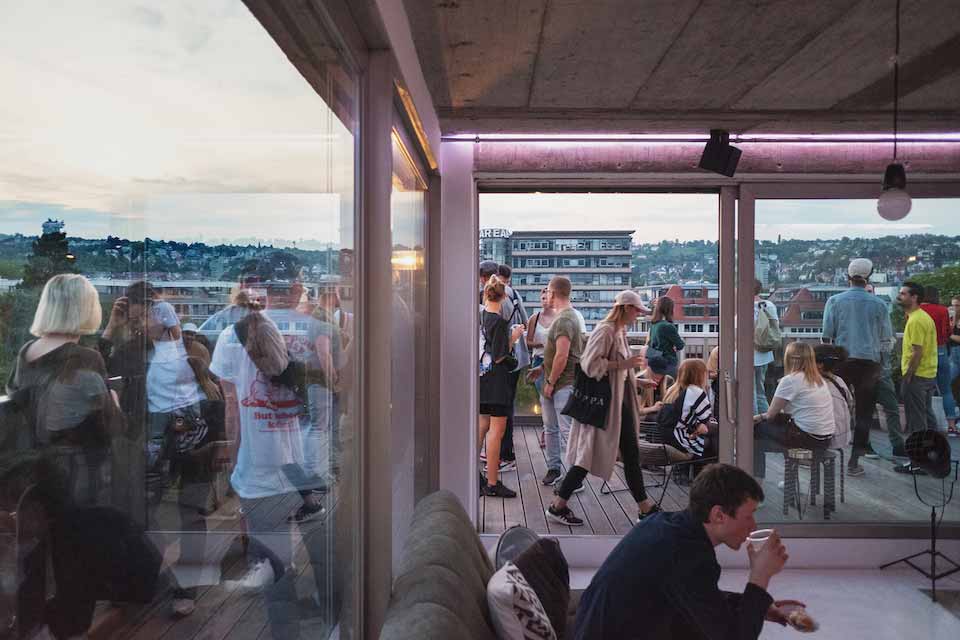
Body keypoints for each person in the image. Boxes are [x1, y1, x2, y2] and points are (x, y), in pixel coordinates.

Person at [573, 463, 799, 640]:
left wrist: (756, 606)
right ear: (718, 515)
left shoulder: (664, 524)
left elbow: (696, 594)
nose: (753, 526)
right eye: (748, 516)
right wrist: (760, 577)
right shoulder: (689, 556)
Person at [210, 308, 329, 638]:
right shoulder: (292, 332)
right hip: (298, 468)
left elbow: (232, 409)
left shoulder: (228, 340)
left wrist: (234, 460)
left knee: (276, 571)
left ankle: (286, 631)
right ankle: (330, 616)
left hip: (259, 470)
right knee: (318, 557)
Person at [6, 274, 122, 507]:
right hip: (77, 474)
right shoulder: (87, 359)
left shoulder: (26, 352)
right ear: (85, 309)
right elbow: (112, 428)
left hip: (36, 470)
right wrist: (114, 401)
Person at [546, 291, 660, 526]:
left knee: (624, 454)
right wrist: (624, 364)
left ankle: (644, 507)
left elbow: (618, 373)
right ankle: (558, 505)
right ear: (626, 308)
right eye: (637, 310)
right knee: (588, 457)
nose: (638, 315)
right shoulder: (606, 330)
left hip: (615, 406)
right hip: (606, 408)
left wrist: (638, 381)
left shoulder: (619, 331)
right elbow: (589, 365)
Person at [821, 258, 893, 474]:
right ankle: (854, 462)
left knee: (833, 406)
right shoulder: (879, 304)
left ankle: (826, 452)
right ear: (869, 278)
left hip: (841, 362)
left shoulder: (834, 301)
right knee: (864, 412)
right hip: (869, 364)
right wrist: (883, 364)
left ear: (848, 277)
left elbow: (827, 336)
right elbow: (886, 340)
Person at [752, 342, 834, 478]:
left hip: (806, 438)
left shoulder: (790, 380)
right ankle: (789, 477)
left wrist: (757, 418)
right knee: (779, 429)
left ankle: (757, 480)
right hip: (825, 439)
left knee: (754, 433)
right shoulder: (819, 380)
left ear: (789, 359)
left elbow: (771, 414)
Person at [479, 275, 526, 497]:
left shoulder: (481, 316)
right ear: (504, 297)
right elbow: (499, 356)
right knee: (496, 432)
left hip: (483, 377)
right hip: (497, 382)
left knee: (481, 426)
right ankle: (492, 482)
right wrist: (514, 337)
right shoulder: (498, 322)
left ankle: (474, 475)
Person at [540, 276, 586, 487]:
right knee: (550, 428)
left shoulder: (564, 320)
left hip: (562, 384)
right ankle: (554, 468)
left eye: (548, 291)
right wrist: (541, 369)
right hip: (555, 382)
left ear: (553, 293)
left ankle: (574, 480)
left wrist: (550, 382)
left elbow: (562, 355)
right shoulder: (567, 316)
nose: (546, 295)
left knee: (567, 432)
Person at [894, 282, 939, 473]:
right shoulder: (922, 317)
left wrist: (908, 376)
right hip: (928, 374)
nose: (899, 296)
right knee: (927, 417)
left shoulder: (916, 321)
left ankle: (919, 462)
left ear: (914, 297)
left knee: (916, 420)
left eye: (903, 294)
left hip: (917, 376)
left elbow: (917, 352)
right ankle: (933, 456)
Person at [495, 263, 530, 471]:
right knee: (508, 405)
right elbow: (525, 321)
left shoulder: (497, 297)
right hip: (517, 358)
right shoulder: (515, 294)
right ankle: (503, 452)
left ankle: (504, 454)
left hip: (503, 358)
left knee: (500, 408)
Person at [661, 359, 717, 460]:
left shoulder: (672, 389)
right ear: (699, 375)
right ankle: (717, 465)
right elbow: (706, 420)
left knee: (712, 433)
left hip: (666, 438)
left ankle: (700, 467)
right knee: (718, 432)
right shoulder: (695, 392)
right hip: (681, 439)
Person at [920, 286, 957, 432]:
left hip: (923, 353)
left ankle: (929, 424)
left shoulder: (916, 311)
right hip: (941, 351)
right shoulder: (943, 310)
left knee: (925, 391)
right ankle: (951, 425)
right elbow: (947, 332)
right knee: (946, 390)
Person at [525, 286, 557, 448]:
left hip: (555, 362)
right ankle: (547, 429)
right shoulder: (534, 318)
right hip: (539, 360)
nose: (545, 301)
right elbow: (527, 341)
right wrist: (540, 344)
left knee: (556, 397)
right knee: (544, 398)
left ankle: (551, 430)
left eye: (547, 297)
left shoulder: (559, 318)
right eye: (542, 298)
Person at [814, 344, 854, 454]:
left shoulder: (815, 383)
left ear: (820, 364)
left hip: (826, 438)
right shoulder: (840, 381)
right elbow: (851, 405)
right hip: (843, 436)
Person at [753, 280, 779, 416]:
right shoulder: (769, 305)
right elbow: (775, 327)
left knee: (749, 392)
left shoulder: (742, 305)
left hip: (747, 355)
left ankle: (752, 423)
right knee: (760, 391)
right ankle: (764, 420)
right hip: (764, 354)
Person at [648, 296, 684, 378]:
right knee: (670, 384)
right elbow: (680, 345)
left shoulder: (654, 324)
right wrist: (675, 347)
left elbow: (651, 343)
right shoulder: (667, 326)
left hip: (654, 362)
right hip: (667, 363)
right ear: (670, 309)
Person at [950, 296, 960, 436]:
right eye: (952, 305)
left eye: (957, 305)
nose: (954, 308)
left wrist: (948, 334)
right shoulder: (952, 319)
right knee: (950, 385)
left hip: (956, 354)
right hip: (952, 354)